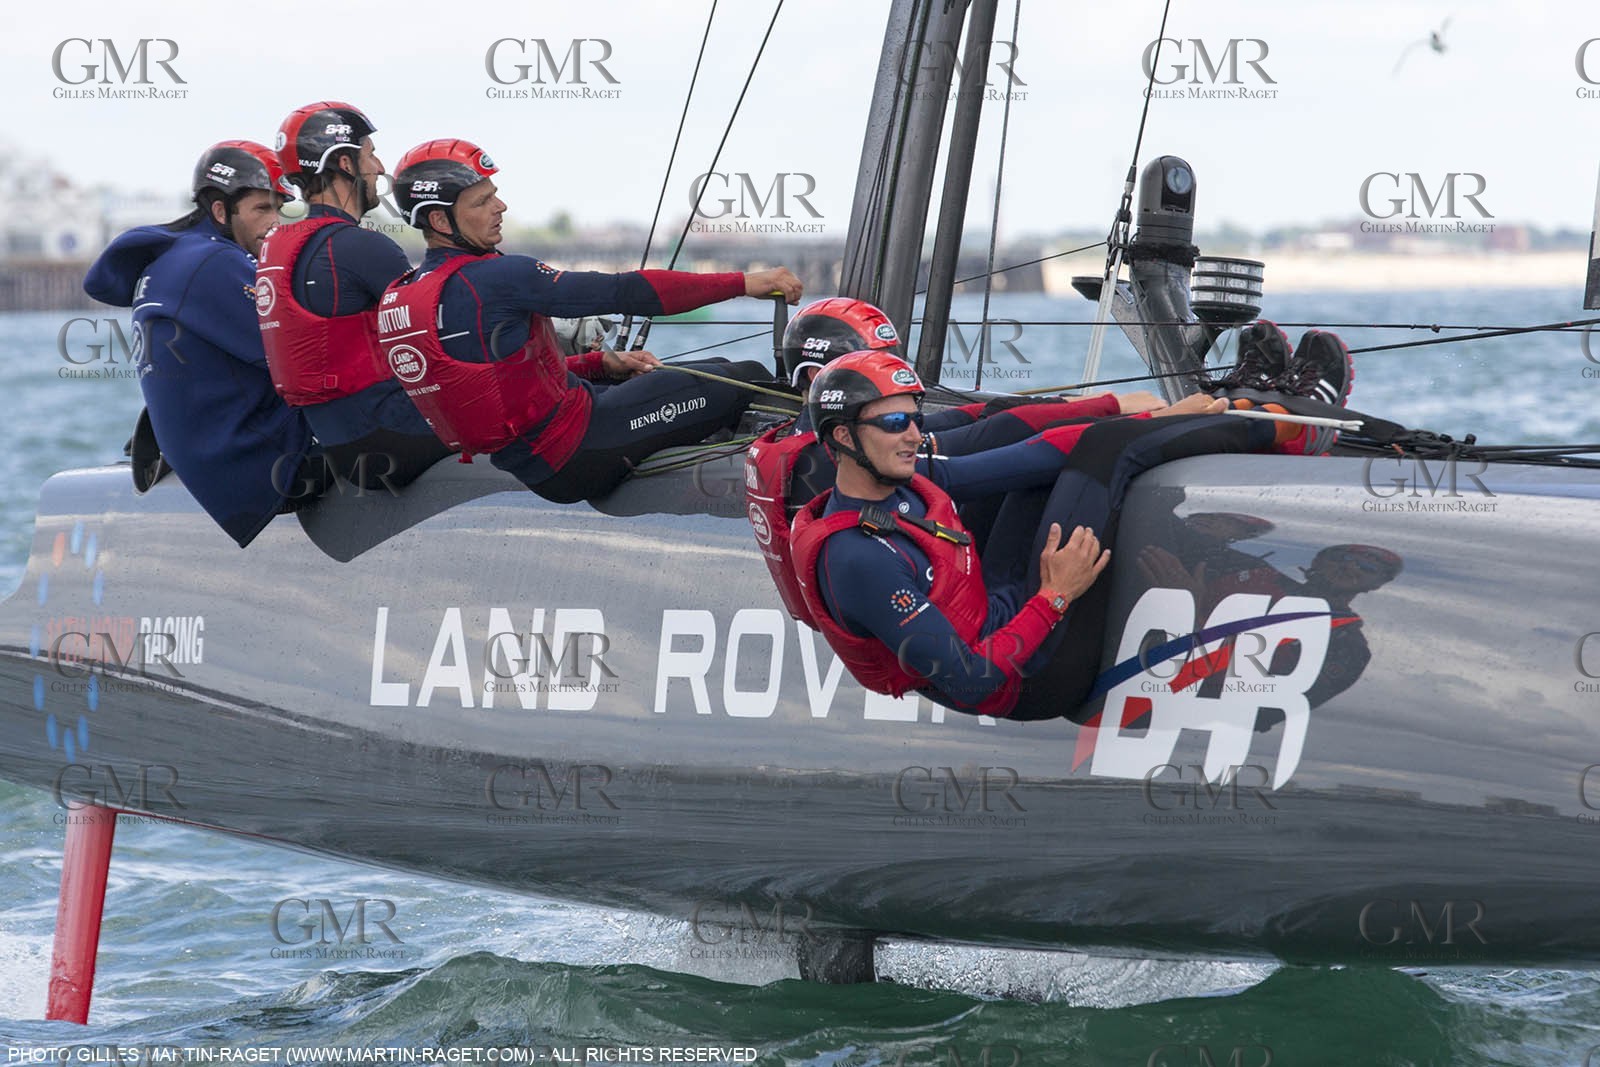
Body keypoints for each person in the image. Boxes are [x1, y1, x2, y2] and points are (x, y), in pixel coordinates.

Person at [784, 341, 1353, 721]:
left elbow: (1020, 455)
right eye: (891, 422)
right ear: (840, 438)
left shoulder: (896, 477)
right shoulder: (859, 559)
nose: (911, 434)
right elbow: (972, 683)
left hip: (998, 601)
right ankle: (1282, 425)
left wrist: (1143, 416)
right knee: (1108, 453)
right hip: (1028, 678)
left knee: (1058, 453)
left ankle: (1232, 406)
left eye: (915, 417)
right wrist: (1056, 595)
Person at [375, 138, 803, 503]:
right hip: (580, 449)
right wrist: (745, 282)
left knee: (720, 372)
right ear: (438, 219)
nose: (500, 206)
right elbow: (625, 291)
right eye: (483, 201)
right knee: (746, 377)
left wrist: (599, 365)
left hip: (537, 462)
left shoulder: (403, 293)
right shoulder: (496, 277)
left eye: (495, 194)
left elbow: (494, 386)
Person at [747, 296, 1164, 622]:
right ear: (816, 377)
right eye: (871, 372)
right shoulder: (835, 461)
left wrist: (1077, 403)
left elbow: (969, 420)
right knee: (1026, 473)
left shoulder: (801, 440)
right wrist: (1118, 413)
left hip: (854, 590)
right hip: (888, 613)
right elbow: (988, 445)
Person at [84, 140, 324, 548]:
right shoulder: (215, 262)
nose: (275, 223)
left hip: (207, 460)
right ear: (220, 210)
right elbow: (303, 359)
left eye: (279, 209)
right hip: (251, 471)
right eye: (262, 209)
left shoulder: (174, 258)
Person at [257, 101, 453, 493]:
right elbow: (450, 329)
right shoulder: (361, 247)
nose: (380, 168)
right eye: (370, 154)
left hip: (341, 446)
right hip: (389, 441)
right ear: (345, 163)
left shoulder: (276, 246)